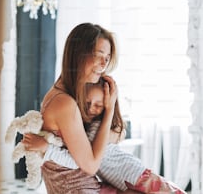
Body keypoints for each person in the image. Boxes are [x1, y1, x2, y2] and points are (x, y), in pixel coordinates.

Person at [21, 23, 140, 193]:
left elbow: (115, 136)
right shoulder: (64, 104)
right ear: (78, 55)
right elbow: (91, 166)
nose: (104, 63)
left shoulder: (62, 94)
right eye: (99, 55)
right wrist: (110, 110)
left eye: (107, 57)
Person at [40, 80, 186, 194]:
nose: (91, 109)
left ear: (107, 107)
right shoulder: (86, 127)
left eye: (98, 105)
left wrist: (48, 150)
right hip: (127, 180)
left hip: (136, 174)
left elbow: (80, 158)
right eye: (88, 103)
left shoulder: (98, 129)